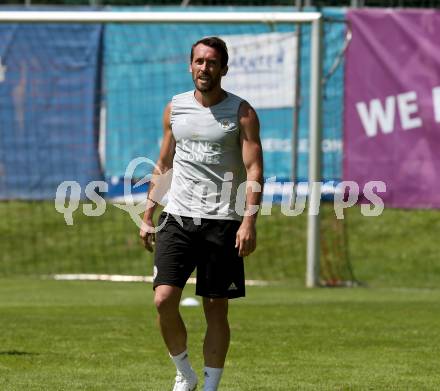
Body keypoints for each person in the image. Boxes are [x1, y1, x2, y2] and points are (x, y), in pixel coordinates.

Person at [140, 36, 263, 391]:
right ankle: (184, 373)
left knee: (215, 308)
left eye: (211, 62)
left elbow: (254, 170)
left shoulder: (242, 112)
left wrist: (249, 221)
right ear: (190, 65)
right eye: (198, 61)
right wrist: (148, 213)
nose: (204, 68)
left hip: (223, 222)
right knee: (163, 299)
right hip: (177, 217)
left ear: (223, 68)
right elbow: (163, 165)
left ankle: (210, 386)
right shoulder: (175, 108)